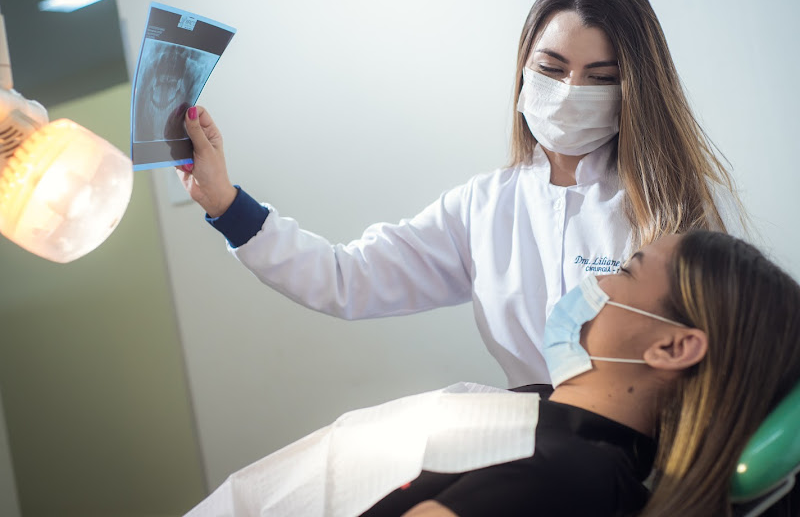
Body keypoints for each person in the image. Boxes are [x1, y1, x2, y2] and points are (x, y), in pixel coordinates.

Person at [177, 0, 745, 387]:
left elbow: (726, 356)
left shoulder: (677, 205)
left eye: (599, 77)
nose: (570, 93)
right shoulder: (482, 207)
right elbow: (344, 278)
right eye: (551, 69)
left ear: (635, 88)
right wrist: (227, 204)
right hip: (538, 443)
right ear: (523, 68)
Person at [184, 230, 800, 517]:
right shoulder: (539, 414)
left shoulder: (572, 479)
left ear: (673, 347)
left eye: (627, 268)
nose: (596, 277)